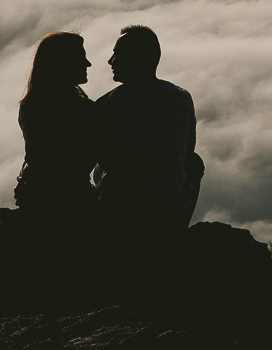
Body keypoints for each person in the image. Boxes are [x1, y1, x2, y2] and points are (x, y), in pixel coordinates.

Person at [96, 25, 203, 231]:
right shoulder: (181, 98)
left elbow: (97, 153)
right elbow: (188, 151)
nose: (110, 61)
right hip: (170, 208)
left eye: (117, 55)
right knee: (195, 163)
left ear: (135, 58)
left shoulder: (109, 104)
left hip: (120, 209)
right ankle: (177, 231)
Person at [13, 31, 99, 214]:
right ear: (64, 64)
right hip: (72, 201)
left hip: (33, 195)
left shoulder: (30, 105)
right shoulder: (82, 109)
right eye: (81, 58)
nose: (88, 64)